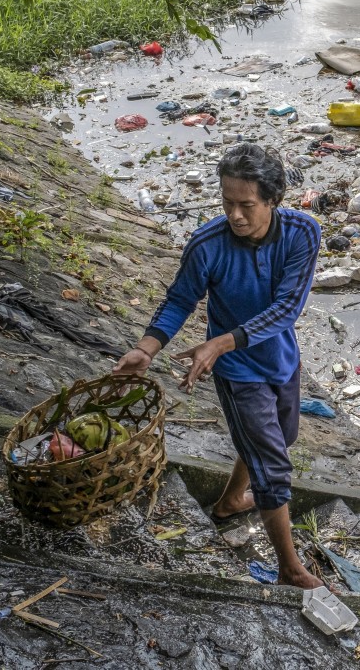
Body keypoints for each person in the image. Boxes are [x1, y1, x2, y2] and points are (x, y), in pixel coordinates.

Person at [113, 144, 324, 589]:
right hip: (238, 373)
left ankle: (229, 502)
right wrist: (147, 349)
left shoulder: (303, 232)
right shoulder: (207, 243)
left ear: (273, 200)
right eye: (227, 202)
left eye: (246, 205)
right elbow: (179, 300)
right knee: (273, 466)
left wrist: (219, 342)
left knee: (282, 438)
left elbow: (288, 307)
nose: (235, 215)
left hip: (281, 358)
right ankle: (289, 568)